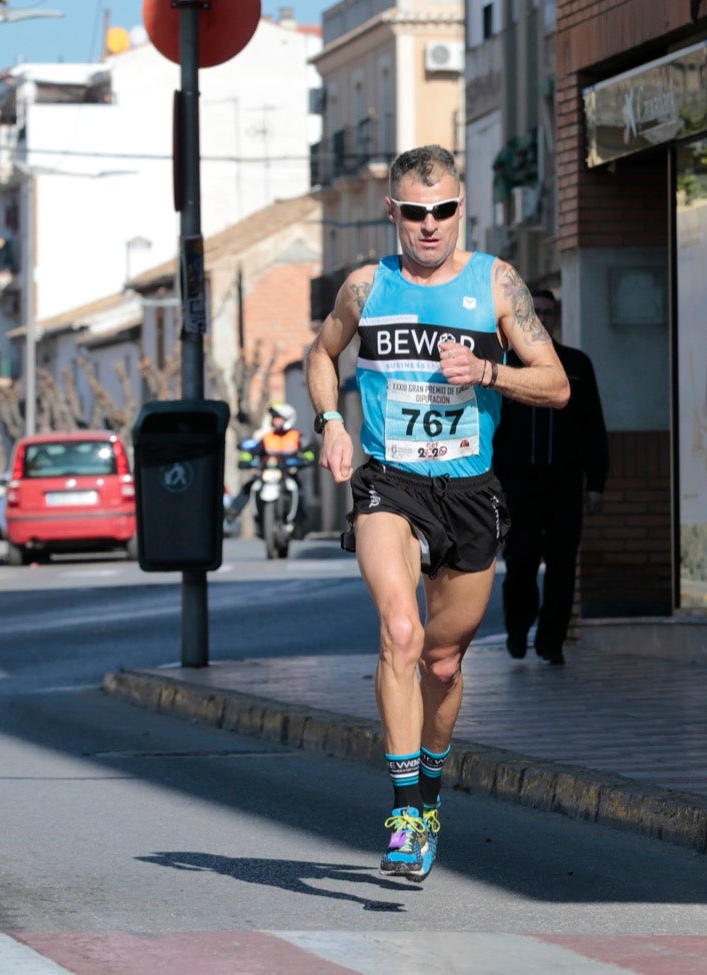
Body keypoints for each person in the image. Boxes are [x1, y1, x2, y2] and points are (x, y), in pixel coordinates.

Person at [305, 144, 569, 882]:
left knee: (445, 662)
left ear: (462, 208)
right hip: (391, 481)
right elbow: (320, 355)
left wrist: (488, 370)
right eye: (415, 213)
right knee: (400, 630)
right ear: (393, 212)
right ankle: (403, 811)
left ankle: (430, 787)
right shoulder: (365, 288)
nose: (430, 226)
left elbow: (556, 385)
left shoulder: (496, 284)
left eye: (444, 211)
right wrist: (330, 420)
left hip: (470, 490)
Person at [495, 287, 608, 665]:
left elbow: (594, 426)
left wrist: (596, 483)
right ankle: (517, 627)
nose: (542, 318)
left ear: (556, 317)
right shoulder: (504, 366)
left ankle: (551, 640)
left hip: (563, 483)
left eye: (548, 311)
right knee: (521, 560)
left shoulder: (576, 365)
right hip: (517, 485)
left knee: (562, 563)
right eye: (535, 311)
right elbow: (488, 427)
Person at [225, 401, 306, 529]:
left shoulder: (296, 436)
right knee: (250, 485)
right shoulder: (267, 437)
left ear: (287, 419)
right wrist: (246, 460)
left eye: (278, 418)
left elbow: (308, 452)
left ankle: (299, 520)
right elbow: (253, 451)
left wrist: (304, 460)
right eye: (274, 418)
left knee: (298, 488)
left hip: (287, 473)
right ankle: (232, 512)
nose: (275, 421)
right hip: (268, 472)